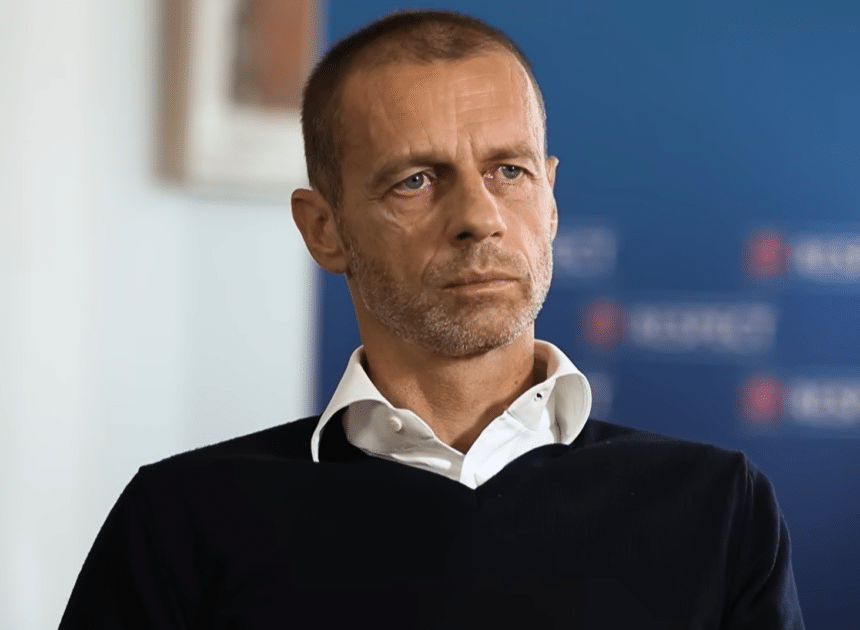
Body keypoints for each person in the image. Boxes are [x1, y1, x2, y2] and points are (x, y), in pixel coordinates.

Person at [60, 10, 804, 629]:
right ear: (323, 229)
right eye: (416, 180)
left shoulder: (718, 508)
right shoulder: (185, 519)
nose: (479, 217)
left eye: (508, 171)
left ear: (549, 200)